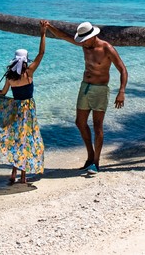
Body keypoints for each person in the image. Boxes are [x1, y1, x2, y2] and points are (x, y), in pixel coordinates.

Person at [0, 19, 48, 184]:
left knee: (16, 140)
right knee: (27, 139)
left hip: (15, 109)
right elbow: (41, 54)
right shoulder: (29, 72)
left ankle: (14, 173)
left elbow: (3, 93)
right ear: (26, 60)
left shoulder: (10, 76)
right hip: (29, 110)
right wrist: (43, 33)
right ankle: (23, 176)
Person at [46, 20, 127, 175]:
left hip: (100, 90)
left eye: (84, 39)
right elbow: (64, 36)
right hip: (85, 87)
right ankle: (90, 156)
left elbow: (122, 69)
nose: (82, 42)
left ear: (93, 36)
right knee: (80, 122)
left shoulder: (106, 48)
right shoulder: (85, 44)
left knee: (98, 126)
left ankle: (96, 163)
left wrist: (121, 91)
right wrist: (49, 27)